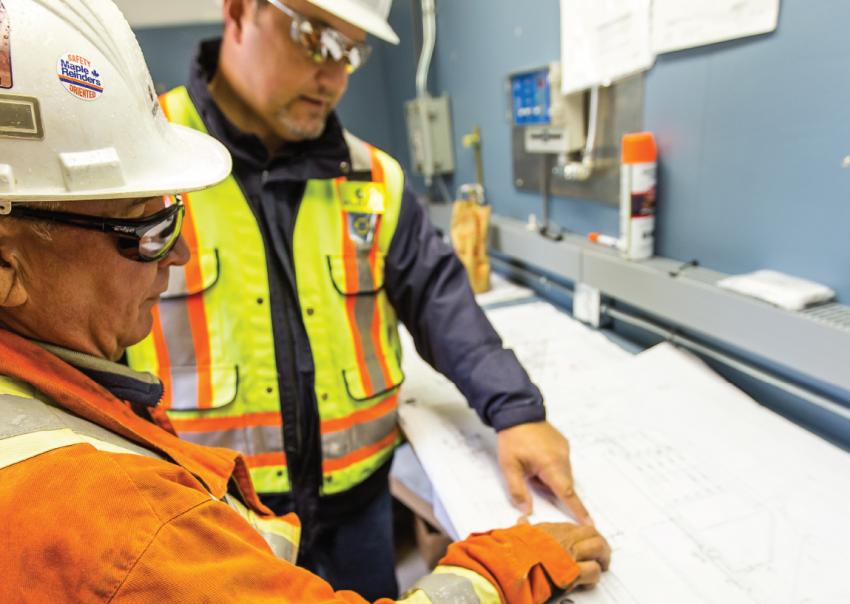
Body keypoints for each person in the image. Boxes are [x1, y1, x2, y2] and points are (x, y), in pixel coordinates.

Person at [0, 0, 612, 601]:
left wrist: (517, 411)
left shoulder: (372, 178)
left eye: (352, 51)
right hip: (218, 505)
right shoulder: (142, 168)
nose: (335, 74)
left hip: (358, 503)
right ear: (240, 12)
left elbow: (439, 299)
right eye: (316, 37)